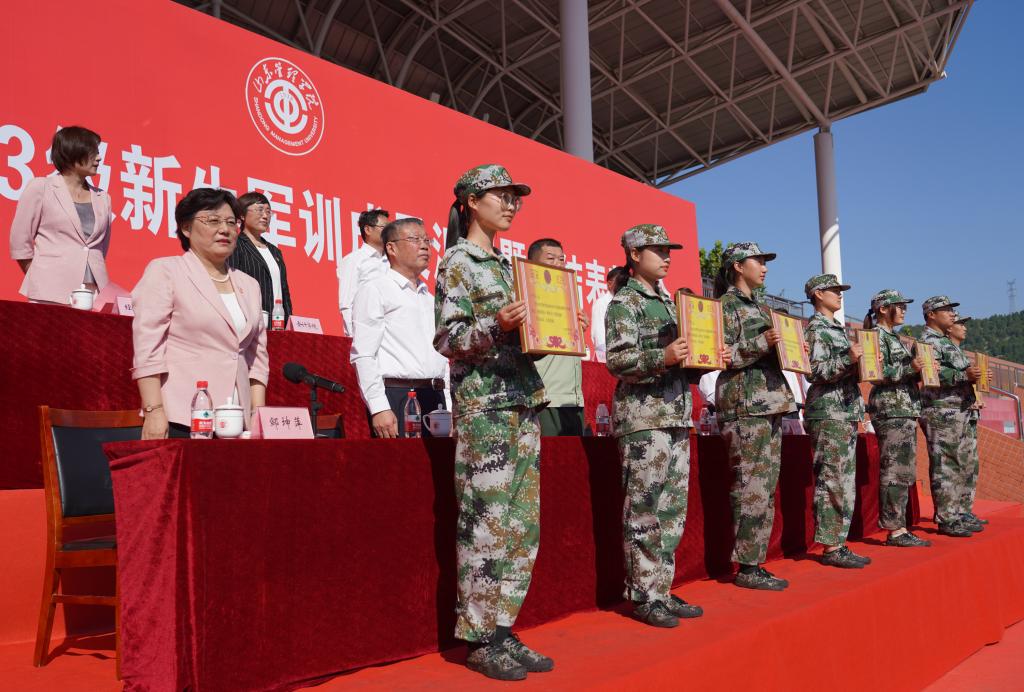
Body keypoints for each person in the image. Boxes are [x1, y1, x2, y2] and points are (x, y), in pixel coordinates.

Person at [434, 164, 551, 681]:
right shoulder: (458, 262)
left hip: (521, 403)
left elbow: (522, 341)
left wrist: (553, 332)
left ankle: (503, 629)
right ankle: (480, 639)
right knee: (485, 524)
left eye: (514, 198)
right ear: (470, 203)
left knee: (521, 527)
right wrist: (496, 324)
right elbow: (447, 339)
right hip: (485, 409)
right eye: (499, 196)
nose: (510, 205)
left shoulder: (508, 266)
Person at [605, 224, 729, 628]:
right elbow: (618, 362)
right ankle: (644, 595)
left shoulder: (671, 303)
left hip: (675, 415)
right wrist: (664, 356)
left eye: (668, 250)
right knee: (644, 509)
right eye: (657, 250)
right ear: (634, 254)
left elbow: (682, 364)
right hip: (644, 419)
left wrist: (707, 359)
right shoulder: (625, 302)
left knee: (672, 511)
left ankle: (661, 588)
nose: (667, 257)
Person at [131, 188, 269, 439]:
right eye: (213, 221)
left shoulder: (249, 285)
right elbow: (148, 346)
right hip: (183, 415)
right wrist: (154, 410)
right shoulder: (166, 271)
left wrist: (256, 416)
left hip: (237, 420)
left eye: (231, 222)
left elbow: (257, 358)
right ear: (186, 228)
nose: (225, 230)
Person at [713, 242, 796, 590]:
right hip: (745, 404)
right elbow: (720, 354)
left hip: (770, 403)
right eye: (757, 261)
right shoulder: (723, 306)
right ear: (737, 266)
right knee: (750, 486)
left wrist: (792, 349)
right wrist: (764, 342)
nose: (764, 268)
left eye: (765, 262)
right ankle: (747, 566)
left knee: (765, 487)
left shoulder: (763, 308)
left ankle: (755, 561)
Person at [351, 218, 448, 438]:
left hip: (435, 397)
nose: (424, 246)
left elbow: (443, 357)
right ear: (391, 248)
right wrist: (379, 407)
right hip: (399, 397)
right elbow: (364, 354)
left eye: (427, 240)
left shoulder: (430, 298)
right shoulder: (375, 289)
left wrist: (449, 403)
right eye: (415, 239)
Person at [802, 274, 871, 568]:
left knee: (843, 480)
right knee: (832, 479)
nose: (839, 294)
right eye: (834, 290)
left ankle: (838, 542)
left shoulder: (836, 329)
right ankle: (831, 546)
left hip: (843, 411)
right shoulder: (816, 329)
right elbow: (813, 371)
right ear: (818, 294)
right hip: (828, 412)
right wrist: (848, 359)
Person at [9, 126, 112, 304]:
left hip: (94, 293)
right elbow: (19, 241)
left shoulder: (103, 198)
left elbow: (101, 249)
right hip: (49, 290)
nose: (99, 158)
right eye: (93, 152)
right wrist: (40, 278)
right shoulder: (41, 187)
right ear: (72, 153)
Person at [863, 289, 930, 547]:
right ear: (882, 309)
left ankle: (899, 526)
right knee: (894, 469)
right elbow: (875, 374)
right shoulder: (875, 337)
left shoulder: (895, 338)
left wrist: (921, 371)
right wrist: (909, 368)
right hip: (891, 409)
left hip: (904, 407)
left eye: (904, 306)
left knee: (904, 469)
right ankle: (894, 529)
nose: (903, 310)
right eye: (898, 306)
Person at [918, 295, 981, 537]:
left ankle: (958, 512)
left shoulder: (946, 342)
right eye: (946, 309)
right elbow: (930, 372)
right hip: (941, 410)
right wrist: (965, 376)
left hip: (958, 410)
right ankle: (947, 517)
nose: (952, 314)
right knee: (945, 464)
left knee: (960, 462)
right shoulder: (927, 341)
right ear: (931, 315)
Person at [528, 237, 587, 436]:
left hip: (574, 399)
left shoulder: (569, 297)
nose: (558, 264)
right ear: (532, 264)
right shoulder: (528, 297)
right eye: (550, 258)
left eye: (561, 259)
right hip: (547, 397)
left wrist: (579, 330)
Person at [946, 312, 988, 530]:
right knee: (955, 464)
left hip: (967, 411)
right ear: (949, 327)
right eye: (960, 324)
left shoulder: (959, 352)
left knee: (970, 464)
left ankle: (964, 510)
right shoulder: (941, 346)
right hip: (951, 412)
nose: (964, 328)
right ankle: (952, 514)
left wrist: (979, 390)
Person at [228, 192, 293, 325]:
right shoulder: (236, 245)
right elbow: (232, 284)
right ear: (242, 215)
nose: (265, 216)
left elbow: (284, 292)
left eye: (268, 212)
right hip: (249, 323)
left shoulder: (275, 252)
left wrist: (289, 323)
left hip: (277, 325)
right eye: (259, 210)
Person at [338, 208, 390, 335]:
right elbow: (346, 303)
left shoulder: (392, 262)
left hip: (390, 335)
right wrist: (353, 337)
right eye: (385, 227)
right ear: (368, 230)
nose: (390, 232)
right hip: (366, 333)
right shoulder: (354, 260)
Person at [590, 266, 629, 363]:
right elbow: (599, 333)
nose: (624, 285)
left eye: (626, 281)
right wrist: (605, 357)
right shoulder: (602, 303)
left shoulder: (628, 303)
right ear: (609, 284)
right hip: (608, 358)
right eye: (621, 281)